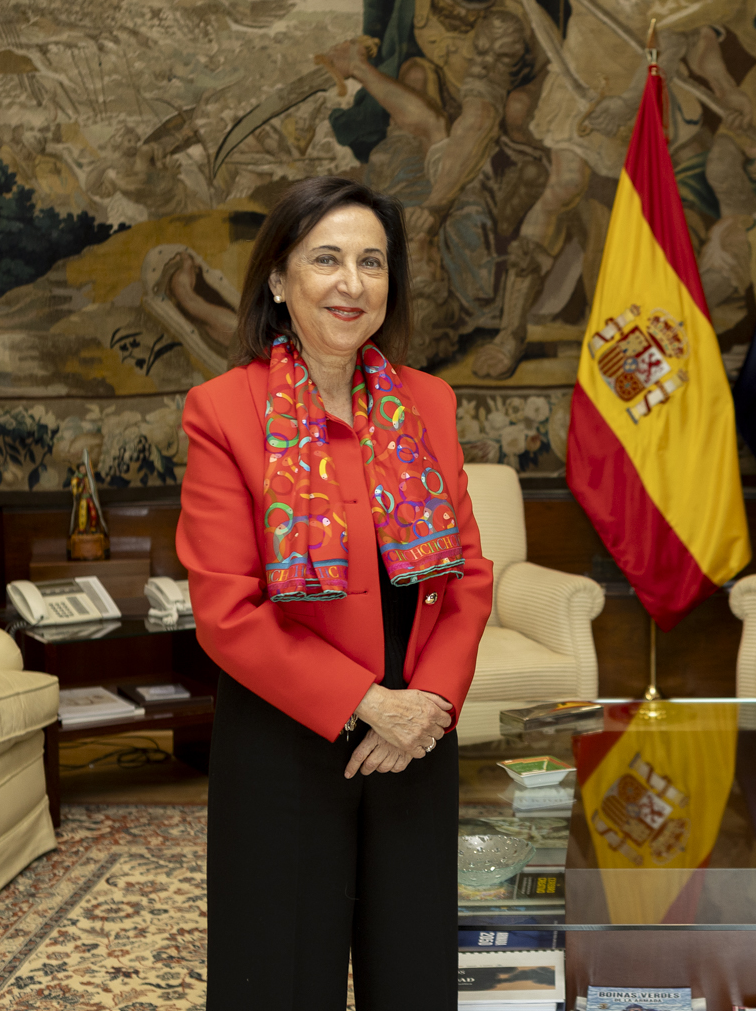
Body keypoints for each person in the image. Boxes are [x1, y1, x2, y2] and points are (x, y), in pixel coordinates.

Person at [176, 176, 494, 1009]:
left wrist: (429, 702)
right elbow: (226, 612)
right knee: (277, 977)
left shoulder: (429, 403)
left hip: (416, 738)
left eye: (372, 262)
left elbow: (467, 574)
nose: (352, 284)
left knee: (414, 973)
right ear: (279, 280)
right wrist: (367, 701)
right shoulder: (222, 411)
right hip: (285, 740)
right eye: (327, 259)